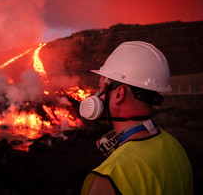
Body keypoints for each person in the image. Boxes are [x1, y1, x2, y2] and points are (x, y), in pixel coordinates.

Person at [79, 41, 193, 194]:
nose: (97, 96)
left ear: (119, 93)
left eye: (100, 88)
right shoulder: (176, 147)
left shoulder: (106, 178)